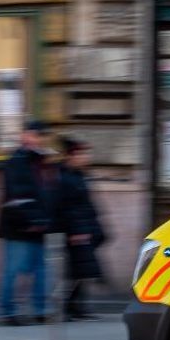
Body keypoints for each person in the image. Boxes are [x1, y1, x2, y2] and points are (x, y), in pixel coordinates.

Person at [0, 120, 57, 325]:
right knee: (13, 270)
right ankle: (6, 311)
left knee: (40, 270)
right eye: (34, 135)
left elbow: (46, 192)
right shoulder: (17, 161)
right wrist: (34, 219)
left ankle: (39, 309)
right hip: (18, 226)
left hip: (37, 226)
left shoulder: (40, 162)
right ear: (24, 136)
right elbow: (17, 195)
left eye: (41, 136)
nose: (38, 140)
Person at [56, 137, 109, 320]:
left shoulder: (79, 176)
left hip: (86, 227)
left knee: (82, 270)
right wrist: (74, 231)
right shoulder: (64, 177)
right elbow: (67, 208)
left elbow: (86, 205)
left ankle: (77, 307)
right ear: (71, 156)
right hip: (76, 231)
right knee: (75, 272)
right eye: (82, 154)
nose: (86, 158)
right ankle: (67, 307)